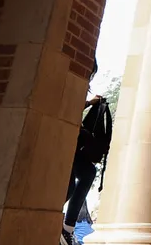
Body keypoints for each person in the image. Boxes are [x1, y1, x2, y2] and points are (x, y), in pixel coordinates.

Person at [62, 61, 112, 245]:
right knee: (69, 185)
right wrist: (89, 103)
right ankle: (65, 226)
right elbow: (68, 108)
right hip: (68, 138)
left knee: (86, 175)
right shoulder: (71, 82)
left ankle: (67, 227)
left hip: (75, 142)